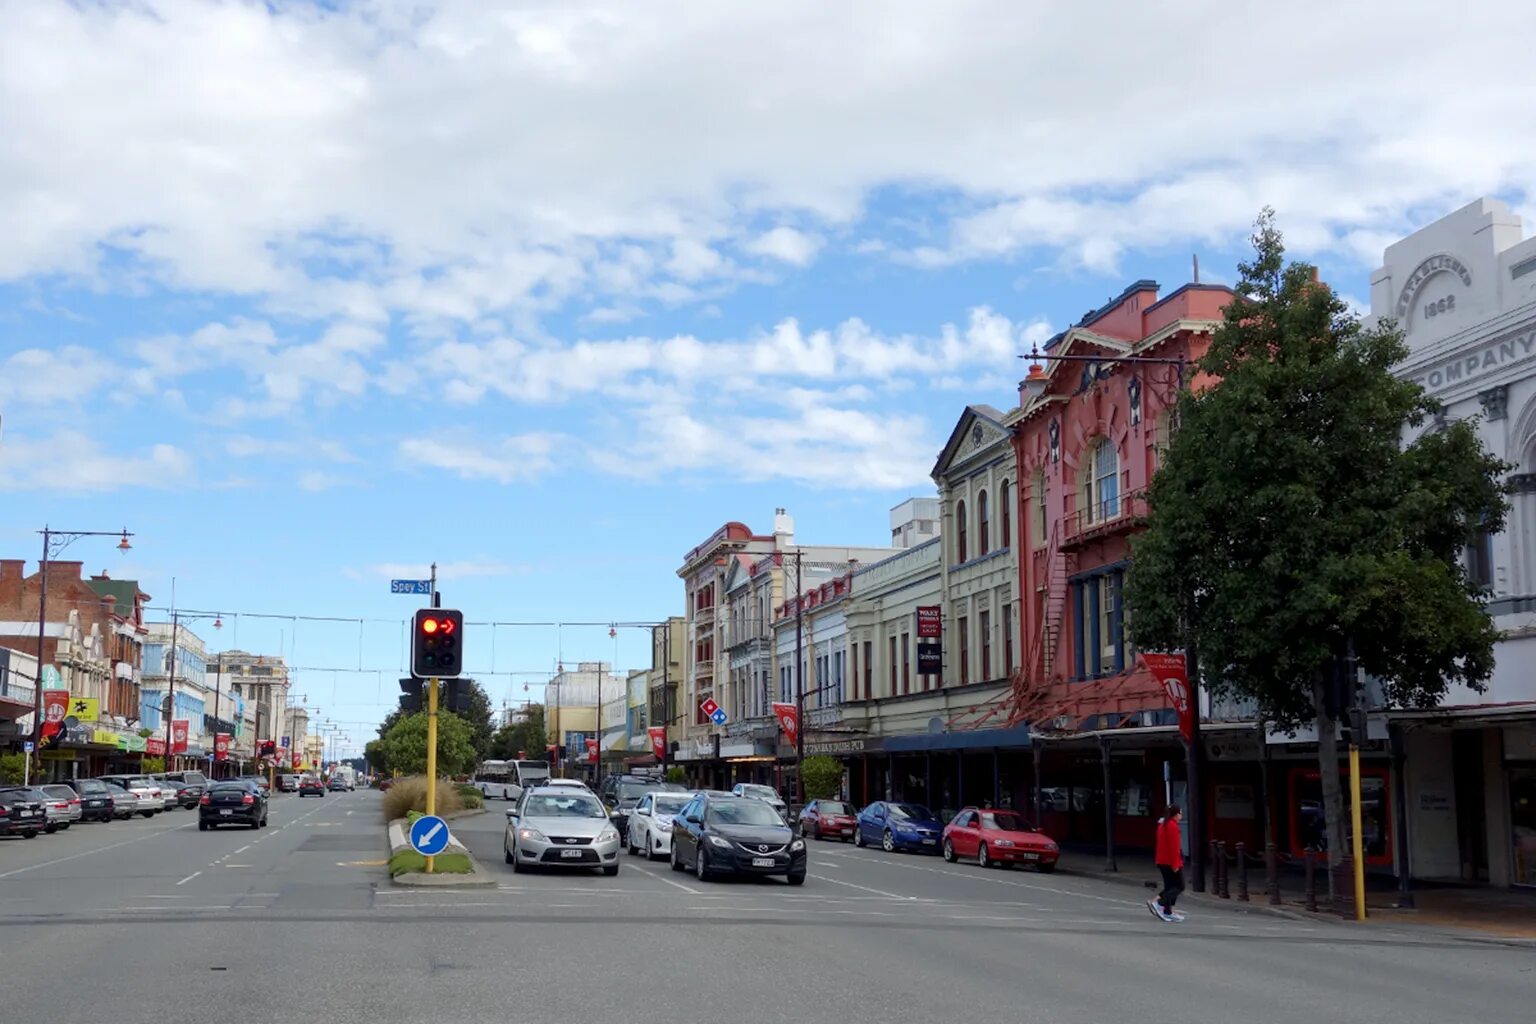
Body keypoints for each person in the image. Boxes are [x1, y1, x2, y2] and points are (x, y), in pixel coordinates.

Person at [1149, 804, 1186, 922]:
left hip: (1162, 860)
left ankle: (1168, 911)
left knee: (1170, 886)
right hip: (1170, 861)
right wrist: (1176, 864)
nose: (1181, 815)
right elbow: (1174, 847)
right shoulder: (1172, 826)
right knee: (1179, 886)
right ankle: (1160, 903)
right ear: (1175, 814)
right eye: (1180, 813)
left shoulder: (1163, 825)